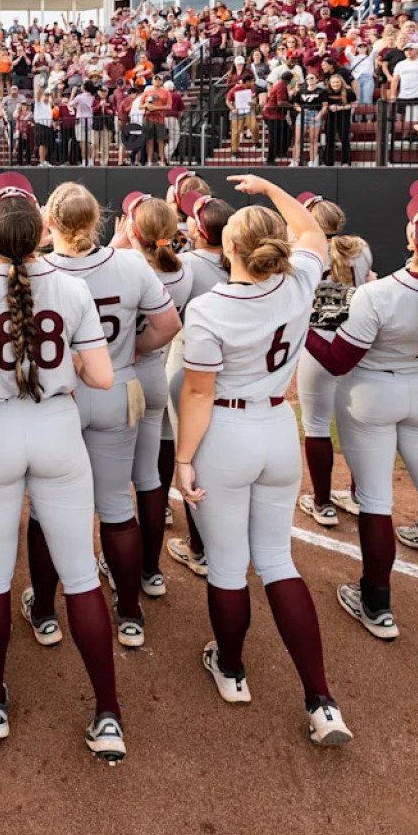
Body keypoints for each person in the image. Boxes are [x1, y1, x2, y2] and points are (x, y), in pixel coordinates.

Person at [0, 172, 125, 762]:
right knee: (81, 575)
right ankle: (108, 714)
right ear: (43, 231)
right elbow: (103, 377)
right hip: (56, 427)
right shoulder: (71, 287)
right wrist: (66, 361)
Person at [176, 173, 352, 747]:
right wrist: (272, 189)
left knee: (229, 567)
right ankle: (321, 701)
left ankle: (231, 670)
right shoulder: (298, 281)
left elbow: (198, 394)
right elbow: (312, 233)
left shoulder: (208, 308)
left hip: (227, 430)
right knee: (278, 560)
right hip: (278, 425)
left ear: (229, 247)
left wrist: (183, 459)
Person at [27, 183, 180, 648]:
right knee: (116, 505)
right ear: (97, 220)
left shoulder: (36, 270)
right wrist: (132, 350)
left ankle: (45, 612)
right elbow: (169, 324)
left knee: (46, 509)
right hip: (117, 386)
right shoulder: (129, 264)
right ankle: (129, 613)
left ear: (49, 221)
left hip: (63, 397)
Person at [304, 189, 418, 640]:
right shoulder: (372, 279)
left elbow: (337, 360)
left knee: (376, 502)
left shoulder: (379, 294)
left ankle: (377, 605)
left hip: (372, 396)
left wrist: (304, 326)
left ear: (414, 239)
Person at [117, 194, 193, 592]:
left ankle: (119, 567)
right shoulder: (183, 270)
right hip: (154, 376)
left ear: (135, 230)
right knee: (148, 478)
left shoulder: (124, 265)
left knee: (113, 485)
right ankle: (151, 571)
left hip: (122, 377)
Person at [165, 187, 237, 577]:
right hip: (234, 364)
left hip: (189, 358)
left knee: (189, 450)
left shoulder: (188, 264)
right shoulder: (241, 259)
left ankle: (200, 547)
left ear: (201, 229)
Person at [295, 194, 373, 527]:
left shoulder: (304, 254)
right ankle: (358, 495)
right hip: (353, 341)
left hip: (318, 342)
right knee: (356, 425)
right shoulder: (361, 249)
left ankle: (323, 503)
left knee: (316, 425)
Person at [290, 73, 326, 168]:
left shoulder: (321, 91)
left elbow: (325, 105)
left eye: (312, 78)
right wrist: (300, 110)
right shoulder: (301, 91)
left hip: (315, 113)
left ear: (316, 80)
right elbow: (296, 104)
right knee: (298, 139)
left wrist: (319, 115)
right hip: (303, 114)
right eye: (308, 78)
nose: (310, 80)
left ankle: (312, 161)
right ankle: (295, 161)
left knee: (313, 139)